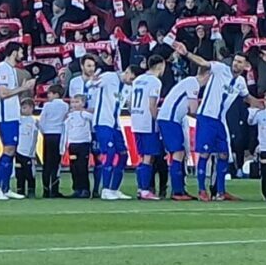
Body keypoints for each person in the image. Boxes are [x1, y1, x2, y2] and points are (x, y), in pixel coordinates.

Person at [179, 46, 258, 201]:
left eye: (240, 62)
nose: (236, 64)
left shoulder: (241, 81)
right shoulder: (221, 69)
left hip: (220, 121)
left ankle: (220, 191)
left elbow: (248, 98)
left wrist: (263, 105)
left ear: (245, 66)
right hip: (207, 117)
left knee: (224, 154)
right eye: (235, 61)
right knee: (205, 153)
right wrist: (187, 53)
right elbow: (203, 63)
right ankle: (202, 190)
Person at [0, 42, 31, 200]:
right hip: (5, 116)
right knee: (8, 149)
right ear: (14, 52)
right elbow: (3, 93)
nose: (22, 54)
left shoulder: (11, 69)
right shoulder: (3, 69)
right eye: (21, 51)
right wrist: (23, 89)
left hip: (12, 115)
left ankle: (5, 187)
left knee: (11, 150)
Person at [155, 63, 201, 201]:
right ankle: (177, 191)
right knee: (178, 153)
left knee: (180, 152)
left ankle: (180, 189)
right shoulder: (193, 83)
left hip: (171, 119)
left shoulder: (188, 82)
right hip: (170, 120)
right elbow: (193, 110)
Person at [86, 59, 128, 200]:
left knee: (123, 154)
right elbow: (90, 84)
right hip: (103, 122)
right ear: (127, 72)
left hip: (115, 124)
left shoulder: (128, 87)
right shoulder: (110, 77)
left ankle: (114, 189)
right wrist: (92, 80)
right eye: (131, 78)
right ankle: (105, 189)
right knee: (109, 153)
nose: (131, 81)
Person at [129, 55, 166, 200]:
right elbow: (152, 105)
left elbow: (130, 103)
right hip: (148, 122)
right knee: (148, 157)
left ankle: (141, 188)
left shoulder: (138, 79)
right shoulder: (155, 82)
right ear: (160, 65)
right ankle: (144, 190)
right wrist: (160, 120)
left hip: (136, 120)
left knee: (143, 156)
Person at [37, 88, 69, 198]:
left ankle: (46, 190)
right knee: (56, 164)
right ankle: (55, 190)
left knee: (47, 163)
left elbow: (41, 122)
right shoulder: (65, 106)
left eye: (50, 93)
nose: (48, 96)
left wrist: (44, 131)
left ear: (56, 94)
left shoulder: (47, 106)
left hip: (48, 135)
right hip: (59, 135)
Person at [61, 94, 93, 198]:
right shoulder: (70, 116)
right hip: (72, 144)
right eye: (73, 102)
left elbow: (94, 118)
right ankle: (77, 189)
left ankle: (85, 189)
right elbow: (65, 129)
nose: (74, 104)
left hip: (83, 143)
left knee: (82, 167)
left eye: (77, 102)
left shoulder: (85, 114)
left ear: (83, 103)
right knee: (74, 167)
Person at [15, 98, 38, 198]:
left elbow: (34, 137)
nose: (23, 110)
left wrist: (32, 152)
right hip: (18, 151)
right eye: (22, 107)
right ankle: (20, 190)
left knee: (30, 173)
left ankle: (31, 190)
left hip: (28, 152)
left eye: (25, 108)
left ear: (31, 108)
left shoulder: (34, 121)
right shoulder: (18, 120)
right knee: (19, 172)